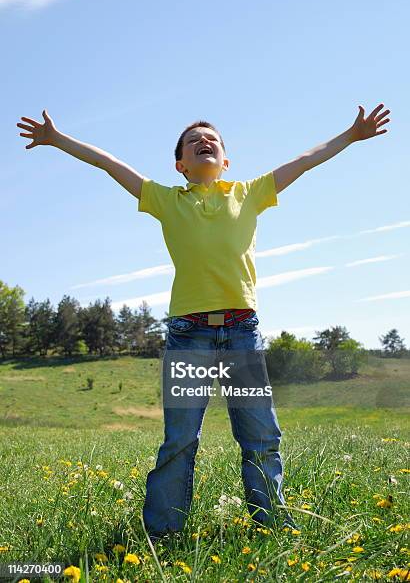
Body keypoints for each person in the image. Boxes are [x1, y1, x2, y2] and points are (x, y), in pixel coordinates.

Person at [17, 104, 390, 542]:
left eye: (211, 139)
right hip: (188, 334)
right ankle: (163, 534)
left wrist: (350, 135)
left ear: (225, 160)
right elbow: (107, 163)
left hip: (241, 334)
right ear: (181, 165)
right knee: (179, 440)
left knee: (260, 436)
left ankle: (272, 529)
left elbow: (306, 160)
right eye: (193, 142)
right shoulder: (165, 200)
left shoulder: (249, 193)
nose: (204, 142)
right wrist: (59, 139)